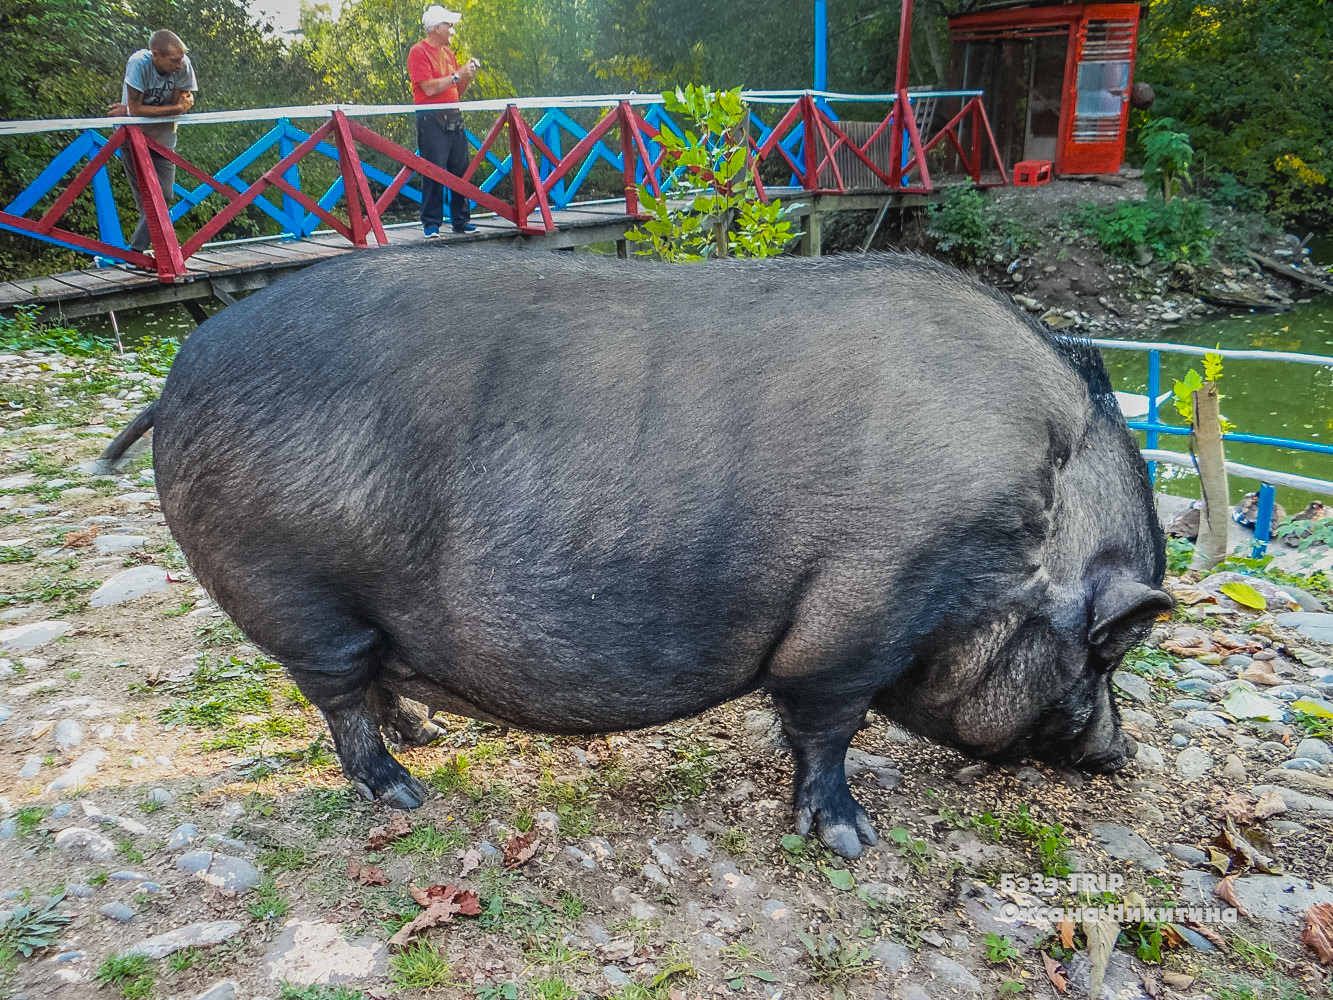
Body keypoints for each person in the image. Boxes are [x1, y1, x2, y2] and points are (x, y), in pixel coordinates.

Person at [107, 30, 197, 264]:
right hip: (131, 139)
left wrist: (135, 110)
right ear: (155, 55)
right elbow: (144, 110)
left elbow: (153, 106)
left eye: (180, 59)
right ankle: (146, 254)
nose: (179, 65)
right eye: (173, 60)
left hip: (164, 141)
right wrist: (172, 110)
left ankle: (135, 254)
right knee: (147, 202)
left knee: (164, 196)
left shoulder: (184, 65)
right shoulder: (139, 63)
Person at [407, 5, 480, 238]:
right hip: (431, 118)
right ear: (436, 28)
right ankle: (431, 223)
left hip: (453, 115)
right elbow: (428, 88)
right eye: (448, 25)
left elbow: (456, 89)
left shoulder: (448, 54)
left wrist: (466, 76)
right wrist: (457, 74)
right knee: (433, 170)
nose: (452, 30)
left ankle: (461, 220)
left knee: (460, 169)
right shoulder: (418, 52)